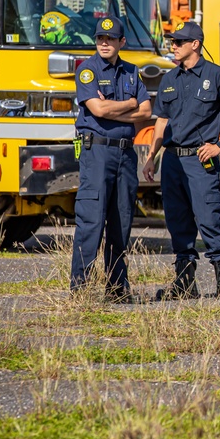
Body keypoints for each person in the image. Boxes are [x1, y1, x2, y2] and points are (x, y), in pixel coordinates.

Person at [141, 21, 220, 301]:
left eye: (178, 42)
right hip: (173, 160)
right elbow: (162, 119)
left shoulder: (218, 75)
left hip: (200, 161)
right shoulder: (169, 79)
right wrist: (152, 156)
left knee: (209, 219)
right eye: (172, 42)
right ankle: (185, 283)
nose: (172, 46)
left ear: (195, 44)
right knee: (178, 222)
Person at [70, 16, 151, 303]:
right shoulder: (88, 70)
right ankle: (79, 289)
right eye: (100, 39)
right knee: (91, 222)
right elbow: (99, 109)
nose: (104, 43)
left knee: (121, 222)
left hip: (126, 154)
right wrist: (129, 104)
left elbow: (146, 112)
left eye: (110, 39)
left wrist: (120, 107)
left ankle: (117, 290)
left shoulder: (131, 71)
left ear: (121, 42)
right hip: (98, 152)